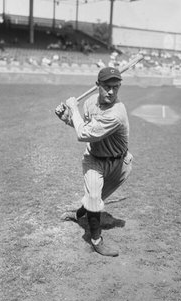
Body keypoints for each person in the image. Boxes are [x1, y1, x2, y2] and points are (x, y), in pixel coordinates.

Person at [58, 67, 133, 257]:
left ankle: (77, 214)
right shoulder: (90, 103)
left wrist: (73, 108)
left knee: (97, 198)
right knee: (93, 198)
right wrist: (67, 118)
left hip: (120, 164)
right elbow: (84, 127)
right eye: (107, 86)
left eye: (116, 87)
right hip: (94, 159)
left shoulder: (117, 112)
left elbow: (84, 133)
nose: (111, 92)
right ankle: (96, 240)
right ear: (97, 85)